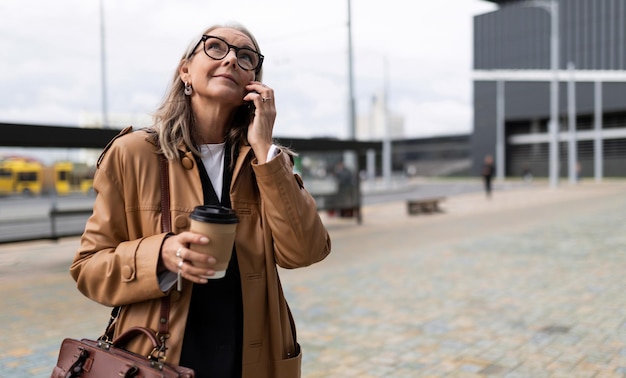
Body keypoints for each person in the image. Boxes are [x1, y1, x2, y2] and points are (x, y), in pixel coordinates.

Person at [70, 22, 331, 378]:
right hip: (159, 356)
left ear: (253, 85)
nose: (231, 60)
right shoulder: (133, 154)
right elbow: (88, 268)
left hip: (252, 357)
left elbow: (305, 251)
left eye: (245, 56)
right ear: (185, 71)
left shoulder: (268, 162)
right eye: (215, 48)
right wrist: (159, 255)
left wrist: (265, 149)